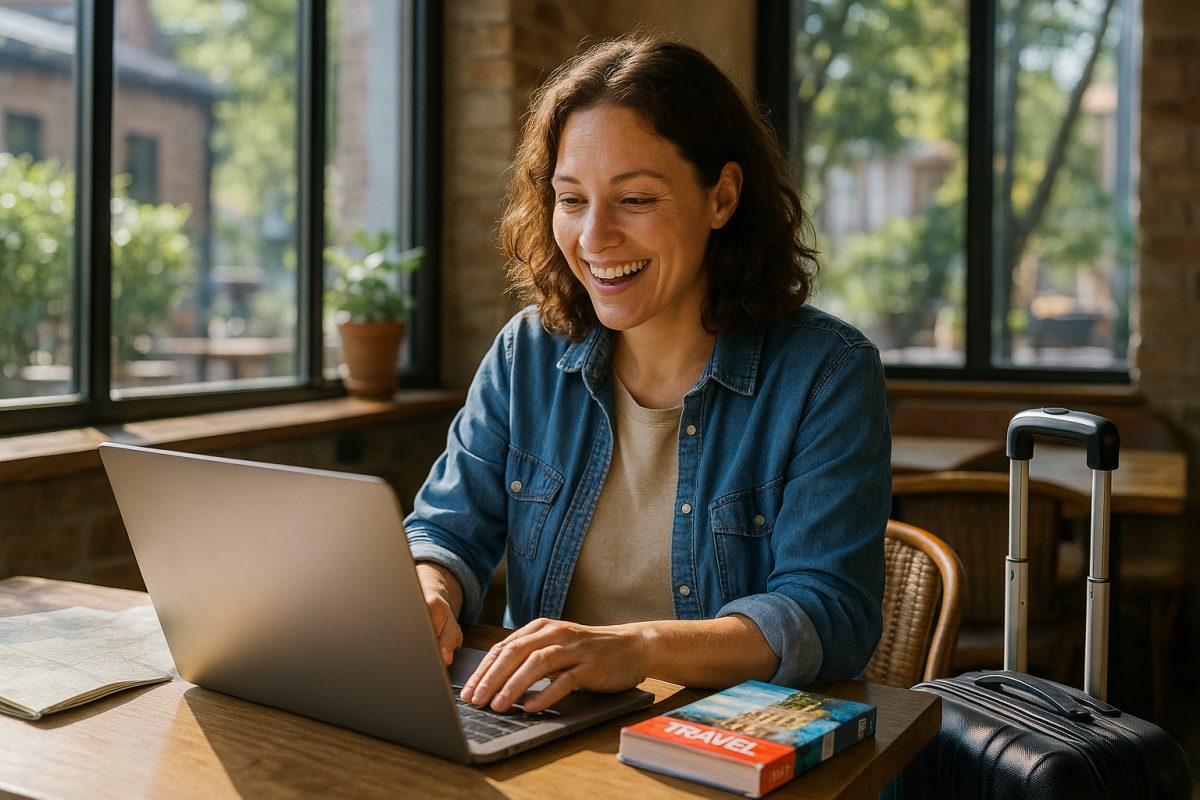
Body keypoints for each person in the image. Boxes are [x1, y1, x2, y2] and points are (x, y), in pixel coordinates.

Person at [405, 32, 890, 716]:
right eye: (571, 199)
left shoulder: (827, 374)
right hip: (540, 732)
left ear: (721, 197)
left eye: (634, 200)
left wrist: (638, 648)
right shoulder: (527, 356)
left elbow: (829, 614)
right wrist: (430, 590)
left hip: (722, 746)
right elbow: (444, 531)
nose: (595, 238)